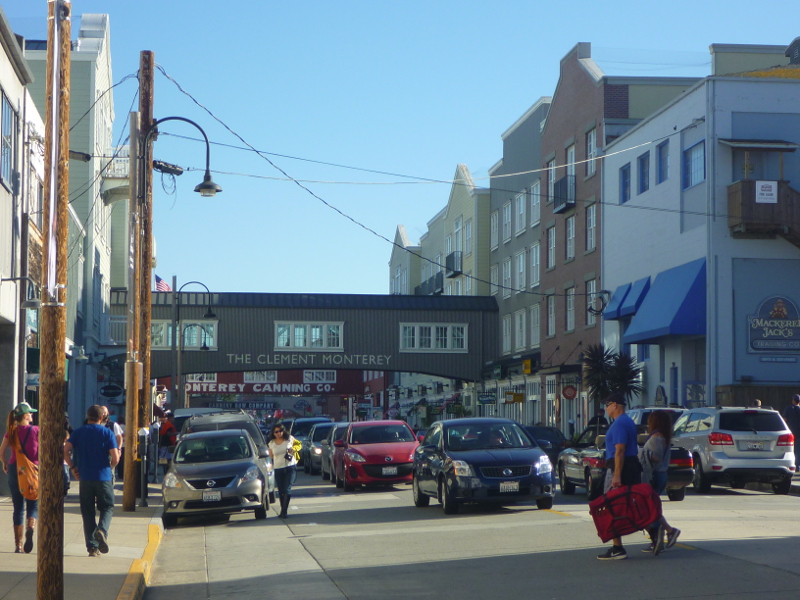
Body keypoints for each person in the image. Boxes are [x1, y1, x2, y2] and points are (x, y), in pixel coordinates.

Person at [64, 405, 120, 557]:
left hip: (85, 477)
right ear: (101, 417)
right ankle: (102, 530)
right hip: (103, 476)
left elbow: (65, 450)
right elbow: (115, 458)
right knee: (107, 507)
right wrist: (111, 467)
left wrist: (72, 467)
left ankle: (92, 547)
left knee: (87, 512)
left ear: (87, 416)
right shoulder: (107, 433)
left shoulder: (78, 432)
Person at [597, 393, 641, 561]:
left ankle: (618, 547)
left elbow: (620, 450)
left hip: (620, 467)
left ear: (615, 405)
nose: (606, 408)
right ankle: (655, 531)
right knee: (631, 504)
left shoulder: (620, 424)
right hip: (630, 465)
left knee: (611, 506)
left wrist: (616, 475)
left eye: (607, 405)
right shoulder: (627, 421)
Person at [640, 410, 681, 555]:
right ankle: (665, 533)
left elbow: (656, 456)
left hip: (655, 475)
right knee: (652, 506)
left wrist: (642, 453)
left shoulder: (656, 438)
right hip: (661, 474)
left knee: (650, 507)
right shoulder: (662, 437)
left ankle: (661, 536)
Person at [0, 402, 39, 553]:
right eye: (30, 413)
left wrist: (4, 464)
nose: (32, 415)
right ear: (25, 416)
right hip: (32, 472)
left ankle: (18, 544)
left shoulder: (11, 432)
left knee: (18, 507)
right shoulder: (36, 430)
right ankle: (31, 526)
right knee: (33, 504)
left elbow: (1, 451)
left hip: (14, 469)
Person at [268, 423, 297, 518]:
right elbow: (271, 456)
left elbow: (298, 445)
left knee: (287, 488)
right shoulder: (271, 443)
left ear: (283, 431)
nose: (278, 433)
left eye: (280, 431)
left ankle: (284, 512)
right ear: (273, 433)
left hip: (290, 466)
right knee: (281, 490)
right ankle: (283, 510)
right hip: (278, 468)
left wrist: (293, 449)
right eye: (276, 432)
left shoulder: (290, 439)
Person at [100, 406, 123, 483]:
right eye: (101, 412)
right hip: (98, 453)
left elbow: (119, 437)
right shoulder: (96, 425)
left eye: (105, 412)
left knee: (110, 473)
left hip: (110, 453)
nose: (103, 414)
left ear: (108, 413)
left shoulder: (113, 425)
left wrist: (119, 449)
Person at [782, 394, 800, 468]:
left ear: (793, 400)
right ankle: (798, 465)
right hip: (799, 432)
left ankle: (791, 464)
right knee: (798, 449)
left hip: (790, 432)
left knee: (790, 449)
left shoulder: (788, 409)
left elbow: (784, 419)